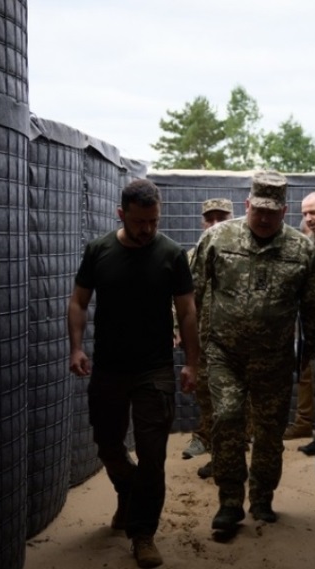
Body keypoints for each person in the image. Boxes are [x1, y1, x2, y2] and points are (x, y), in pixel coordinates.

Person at [67, 179, 200, 568]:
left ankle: (142, 534)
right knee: (108, 445)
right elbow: (78, 302)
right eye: (140, 221)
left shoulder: (171, 254)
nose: (147, 229)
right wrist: (76, 347)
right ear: (121, 214)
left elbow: (188, 310)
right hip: (109, 367)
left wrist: (192, 362)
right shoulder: (99, 251)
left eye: (154, 221)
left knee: (153, 455)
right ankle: (127, 488)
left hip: (154, 369)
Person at [191, 171, 315, 530]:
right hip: (225, 354)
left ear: (284, 211)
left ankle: (262, 498)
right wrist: (192, 348)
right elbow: (192, 295)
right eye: (258, 210)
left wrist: (309, 352)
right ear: (247, 204)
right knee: (227, 418)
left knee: (269, 431)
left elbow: (312, 307)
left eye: (272, 212)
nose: (264, 218)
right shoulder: (217, 239)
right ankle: (230, 501)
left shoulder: (300, 250)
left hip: (274, 359)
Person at [179, 198, 234, 462]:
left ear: (232, 219)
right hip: (201, 337)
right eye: (209, 219)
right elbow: (179, 298)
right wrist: (177, 327)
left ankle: (230, 447)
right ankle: (208, 441)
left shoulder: (243, 255)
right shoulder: (191, 257)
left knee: (234, 397)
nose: (214, 224)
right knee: (204, 391)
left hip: (235, 339)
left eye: (221, 219)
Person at [285, 191, 315, 459]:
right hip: (310, 323)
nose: (308, 218)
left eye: (314, 212)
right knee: (310, 375)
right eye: (305, 213)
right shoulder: (311, 242)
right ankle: (313, 431)